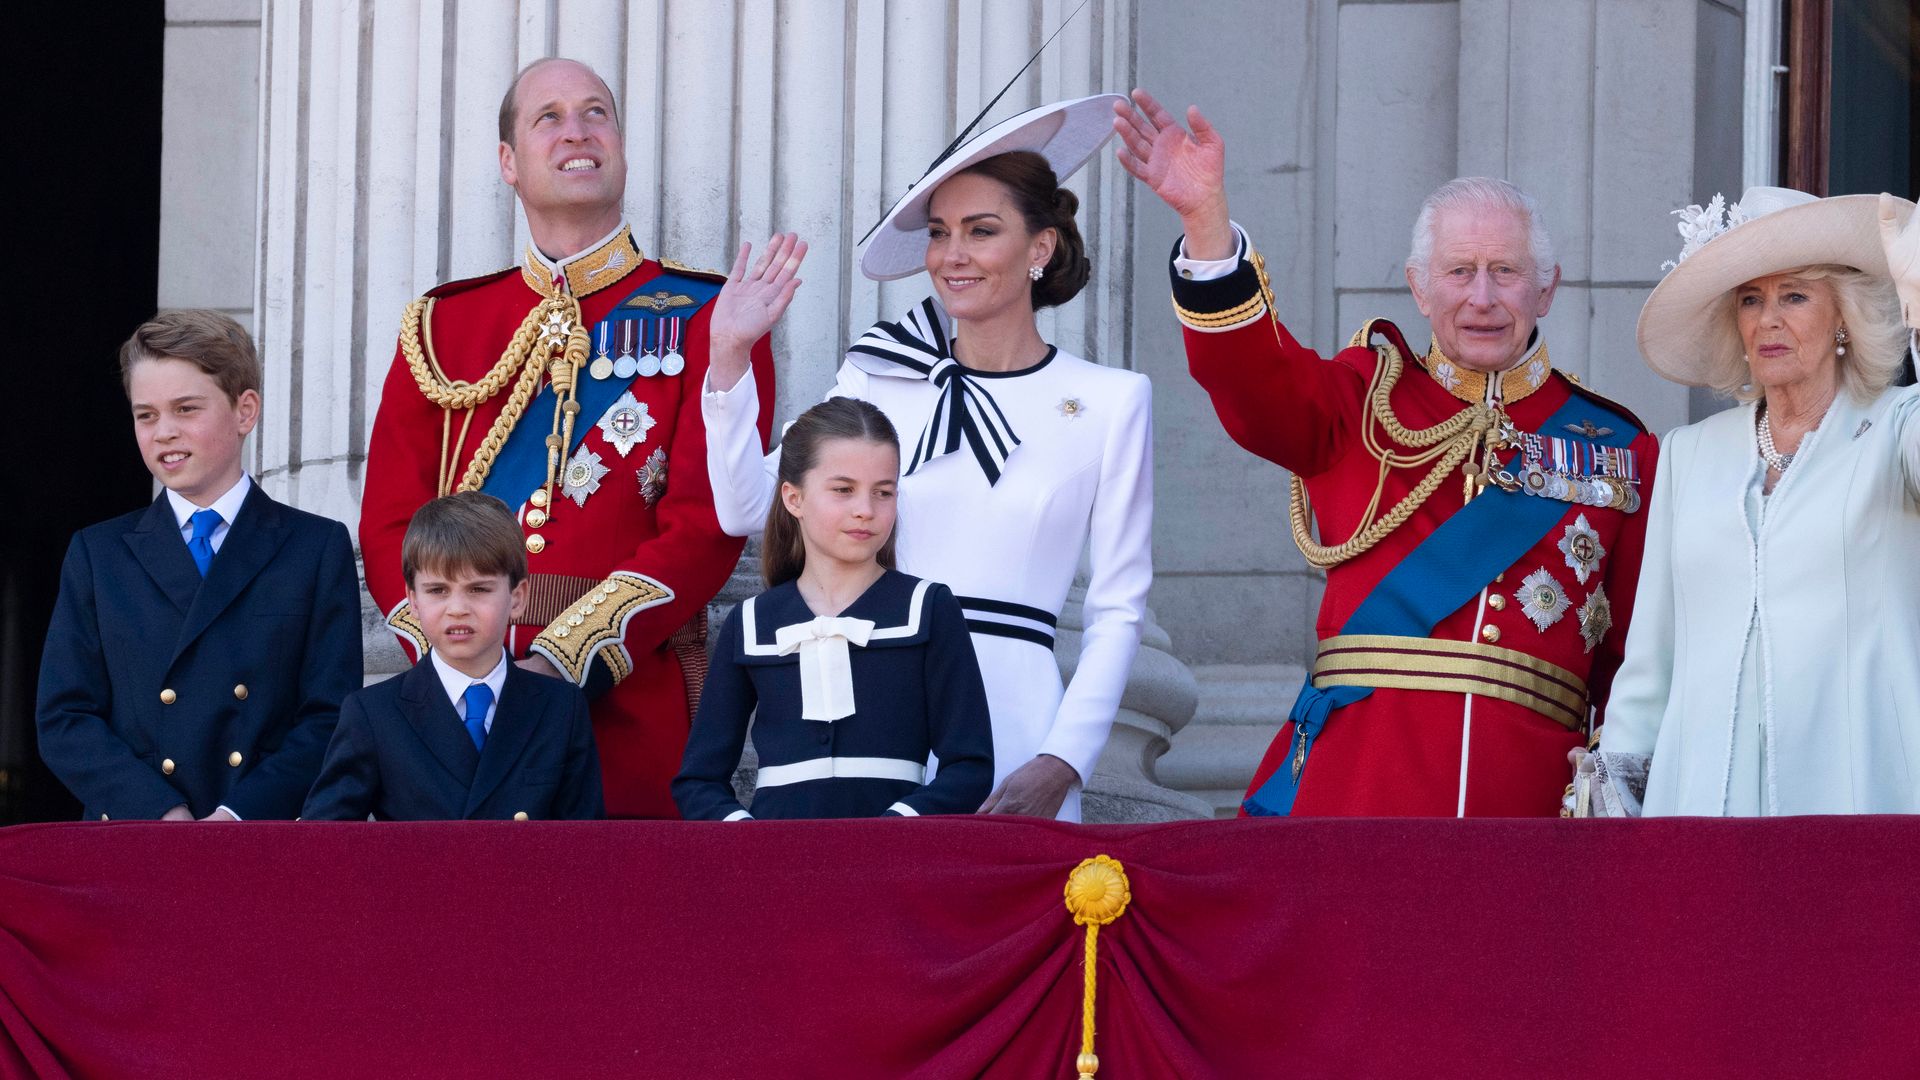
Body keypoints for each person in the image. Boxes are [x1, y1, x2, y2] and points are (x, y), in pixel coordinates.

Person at [1112, 89, 1659, 817]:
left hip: (1530, 804)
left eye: (1507, 271)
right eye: (1460, 271)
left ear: (1547, 288)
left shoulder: (1620, 449)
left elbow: (1635, 662)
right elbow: (1250, 378)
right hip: (1357, 789)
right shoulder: (1360, 401)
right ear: (1419, 287)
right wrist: (1206, 224)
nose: (1484, 297)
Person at [358, 57, 802, 818]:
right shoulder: (443, 326)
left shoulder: (710, 317)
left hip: (625, 704)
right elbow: (387, 528)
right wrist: (462, 664)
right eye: (550, 117)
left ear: (621, 146)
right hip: (461, 703)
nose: (578, 132)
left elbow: (703, 525)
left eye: (597, 113)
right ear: (509, 161)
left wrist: (563, 660)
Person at [703, 95, 1152, 823]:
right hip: (877, 701)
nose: (952, 255)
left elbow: (1118, 608)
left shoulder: (1111, 401)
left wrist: (1064, 757)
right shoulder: (879, 375)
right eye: (940, 233)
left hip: (1018, 716)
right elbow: (746, 507)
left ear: (1039, 248)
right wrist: (728, 361)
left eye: (982, 231)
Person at [1580, 189, 1920, 816]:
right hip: (1702, 805)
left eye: (1794, 295)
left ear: (1842, 314)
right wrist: (1615, 804)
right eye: (1750, 299)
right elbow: (1651, 660)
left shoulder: (1898, 429)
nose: (1768, 319)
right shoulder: (1689, 453)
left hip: (1860, 799)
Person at [36, 310, 361, 821]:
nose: (164, 431)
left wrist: (236, 815)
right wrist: (160, 811)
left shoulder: (315, 548)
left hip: (259, 837)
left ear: (244, 410)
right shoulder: (98, 554)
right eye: (146, 415)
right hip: (135, 838)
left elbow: (330, 717)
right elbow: (64, 718)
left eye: (186, 409)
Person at [673, 399, 992, 820]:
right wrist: (746, 839)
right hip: (776, 867)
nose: (866, 509)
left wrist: (896, 829)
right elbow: (698, 780)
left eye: (884, 492)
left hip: (894, 863)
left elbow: (970, 767)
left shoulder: (928, 607)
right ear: (793, 498)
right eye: (843, 490)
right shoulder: (751, 622)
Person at [304, 493, 603, 820]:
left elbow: (585, 847)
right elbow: (327, 846)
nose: (458, 609)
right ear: (413, 601)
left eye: (478, 589)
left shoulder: (561, 708)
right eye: (438, 591)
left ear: (517, 598)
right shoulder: (372, 714)